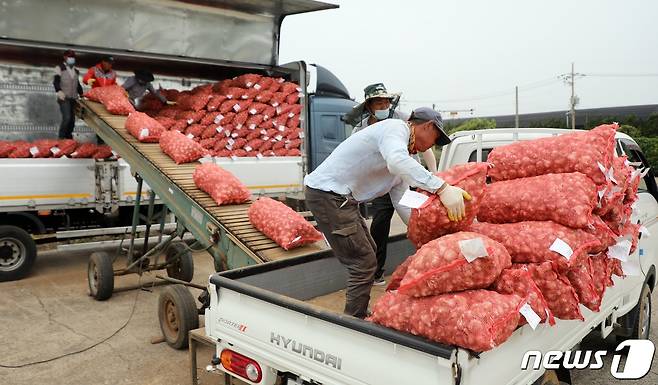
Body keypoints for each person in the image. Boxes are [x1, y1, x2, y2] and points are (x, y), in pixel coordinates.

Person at [304, 107, 471, 318]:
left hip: (342, 199)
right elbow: (397, 161)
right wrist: (442, 187)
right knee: (362, 262)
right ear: (427, 126)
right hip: (328, 195)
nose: (432, 146)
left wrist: (423, 236)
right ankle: (353, 321)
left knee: (369, 251)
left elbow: (401, 200)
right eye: (435, 139)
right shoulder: (396, 129)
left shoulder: (404, 155)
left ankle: (360, 312)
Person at [351, 83, 438, 286]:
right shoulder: (360, 129)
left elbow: (425, 145)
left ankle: (429, 263)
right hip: (382, 183)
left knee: (418, 221)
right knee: (380, 225)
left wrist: (434, 174)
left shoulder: (403, 119)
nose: (383, 106)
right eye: (378, 103)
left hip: (407, 180)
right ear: (369, 106)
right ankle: (377, 272)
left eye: (386, 102)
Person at [53, 49, 83, 139]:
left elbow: (77, 84)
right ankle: (61, 138)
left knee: (72, 120)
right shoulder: (60, 68)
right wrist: (59, 91)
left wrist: (81, 94)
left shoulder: (76, 71)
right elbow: (56, 81)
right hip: (64, 97)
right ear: (65, 57)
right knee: (67, 118)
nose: (71, 59)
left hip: (73, 98)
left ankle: (68, 137)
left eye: (72, 57)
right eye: (69, 57)